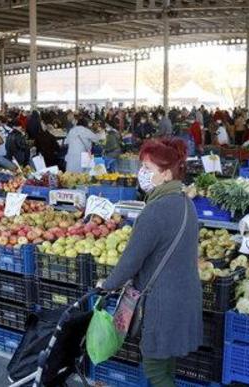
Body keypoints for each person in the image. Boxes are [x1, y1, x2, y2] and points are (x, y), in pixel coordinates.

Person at [100, 138, 202, 387]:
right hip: (185, 298)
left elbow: (130, 261)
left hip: (162, 303)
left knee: (154, 368)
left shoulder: (155, 211)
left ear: (166, 174)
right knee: (166, 363)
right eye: (142, 168)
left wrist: (108, 284)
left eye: (148, 170)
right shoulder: (186, 203)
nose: (142, 174)